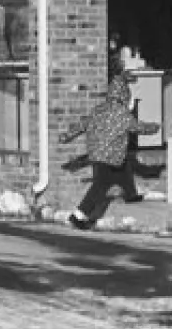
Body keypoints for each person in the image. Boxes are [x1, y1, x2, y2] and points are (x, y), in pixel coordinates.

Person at [59, 71, 159, 229]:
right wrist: (154, 127)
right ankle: (78, 216)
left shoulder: (98, 110)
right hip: (110, 156)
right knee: (100, 186)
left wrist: (67, 136)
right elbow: (139, 128)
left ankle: (131, 194)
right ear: (124, 96)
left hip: (98, 153)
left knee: (125, 166)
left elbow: (82, 125)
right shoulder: (122, 114)